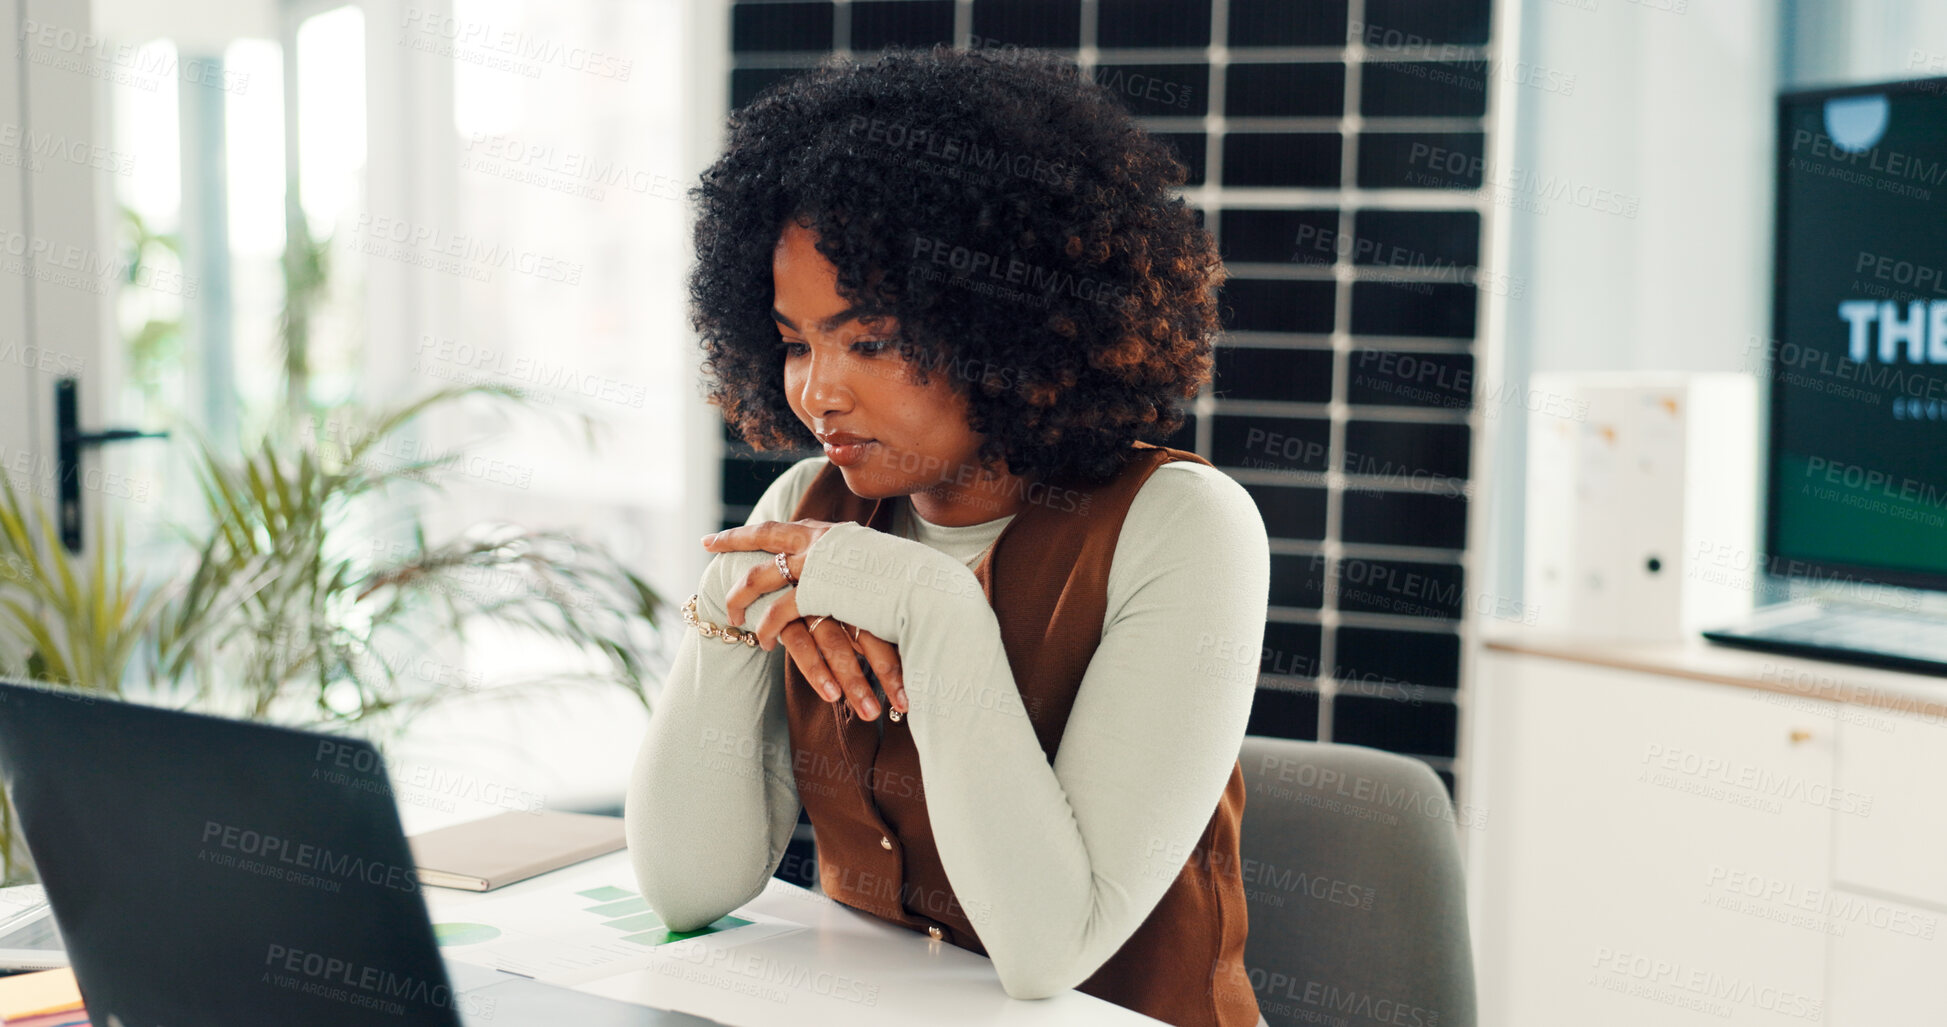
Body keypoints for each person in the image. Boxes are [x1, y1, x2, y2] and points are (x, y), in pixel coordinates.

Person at [626, 45, 1272, 1027]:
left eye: (871, 341)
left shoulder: (1183, 527)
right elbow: (685, 889)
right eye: (795, 342)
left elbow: (1048, 950)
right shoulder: (805, 507)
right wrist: (725, 607)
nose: (818, 391)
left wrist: (929, 606)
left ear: (1005, 321)